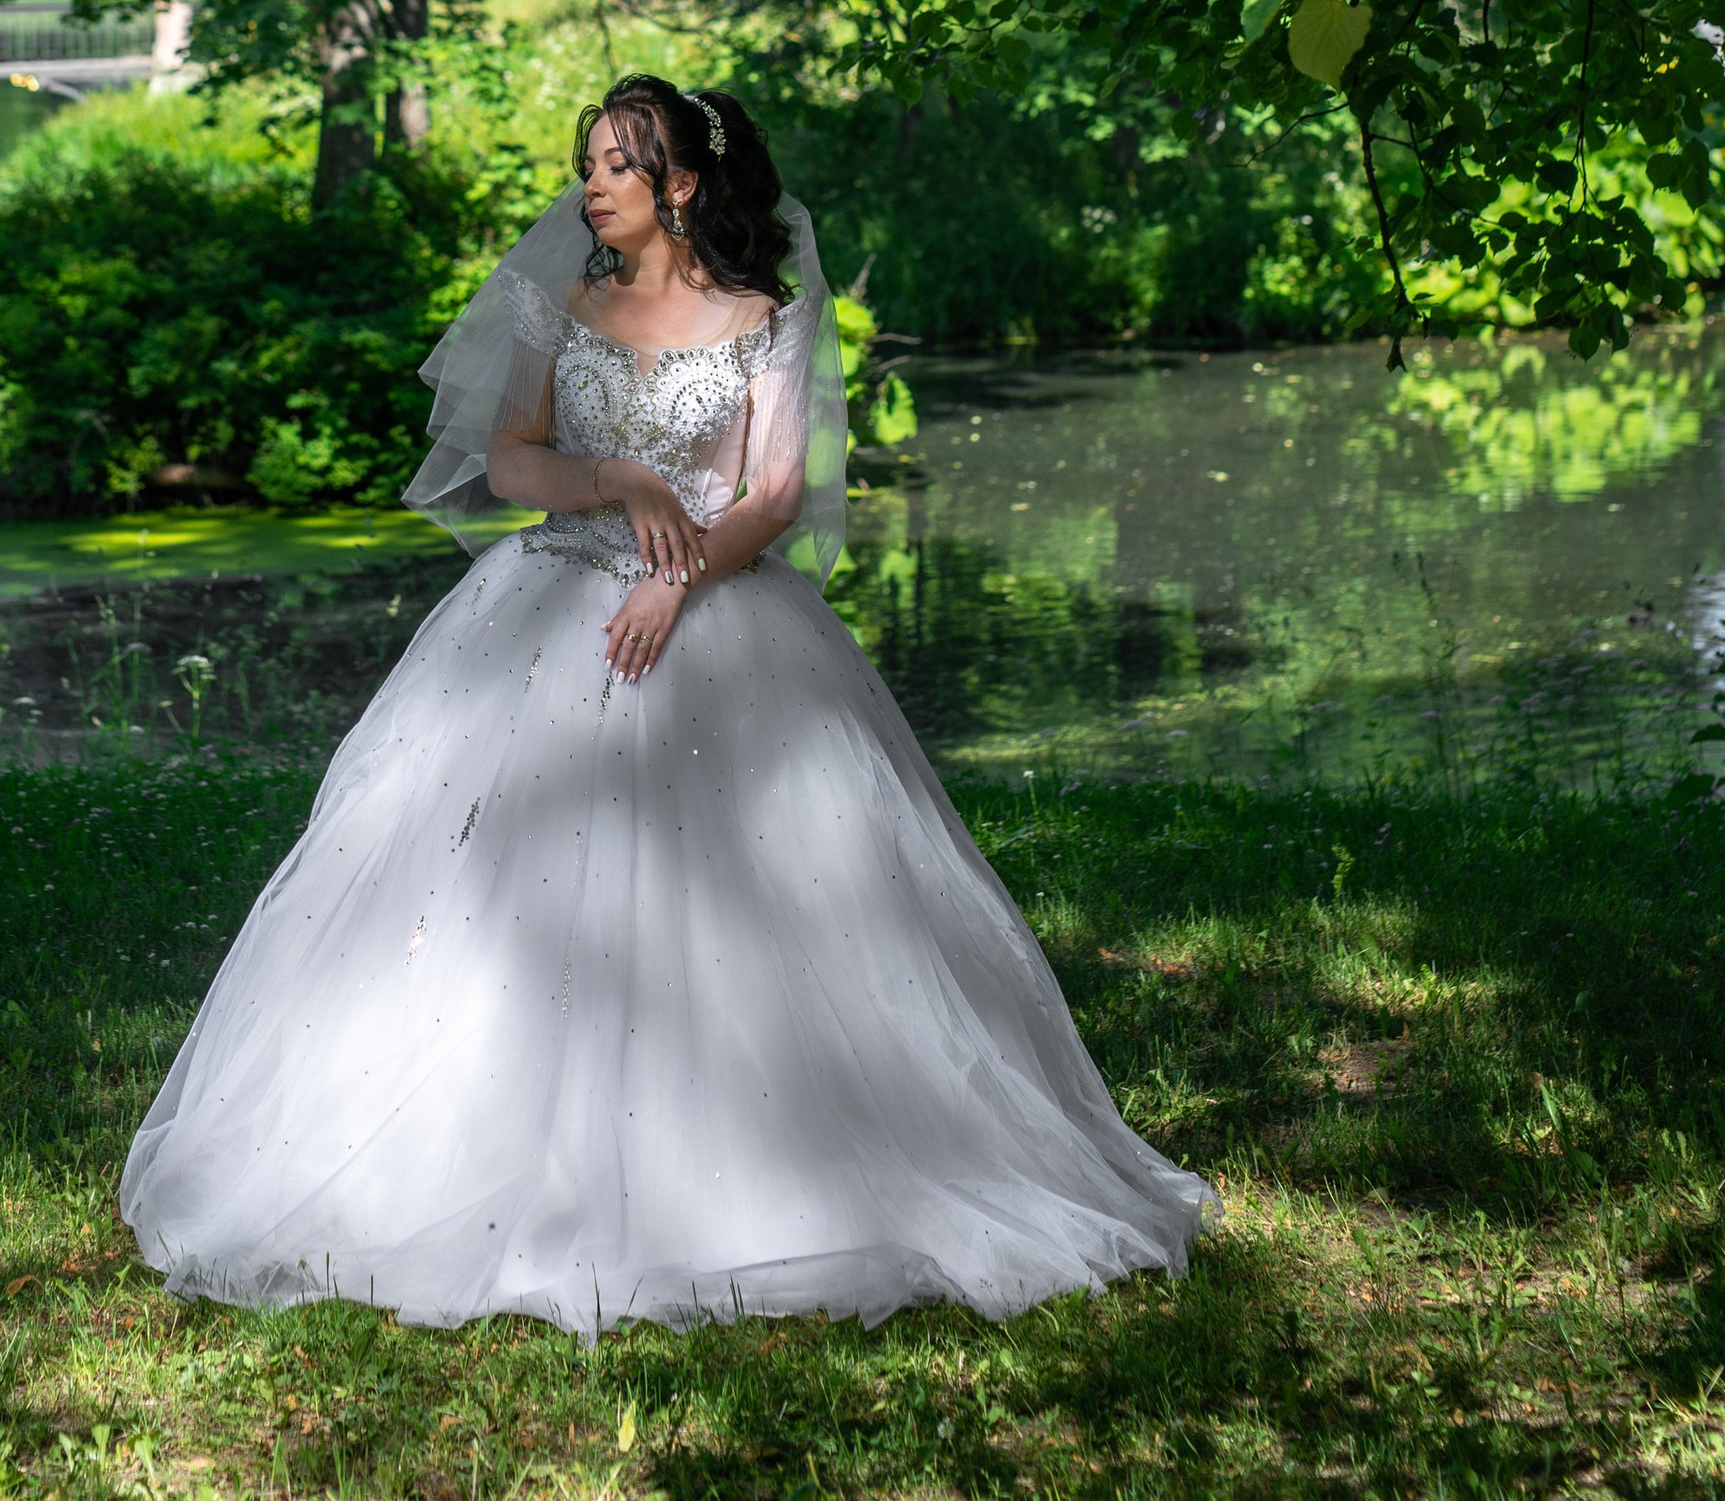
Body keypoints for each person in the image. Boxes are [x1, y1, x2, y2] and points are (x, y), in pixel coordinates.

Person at [119, 75, 1212, 1337]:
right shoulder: (557, 298)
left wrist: (675, 579)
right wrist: (617, 475)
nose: (588, 184)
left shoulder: (768, 315)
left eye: (614, 165)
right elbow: (512, 454)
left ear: (680, 185)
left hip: (718, 615)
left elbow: (774, 495)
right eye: (586, 161)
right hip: (545, 603)